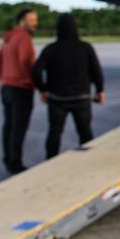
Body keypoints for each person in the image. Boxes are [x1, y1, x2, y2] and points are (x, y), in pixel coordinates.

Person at [31, 13, 105, 159]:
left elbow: (35, 71)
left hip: (57, 99)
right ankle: (89, 160)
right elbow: (96, 70)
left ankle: (50, 161)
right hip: (82, 97)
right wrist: (100, 90)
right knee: (85, 132)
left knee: (55, 132)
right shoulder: (85, 47)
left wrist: (43, 89)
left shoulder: (50, 49)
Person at [0, 8, 38, 174]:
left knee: (9, 125)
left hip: (6, 87)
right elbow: (26, 62)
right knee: (19, 127)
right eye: (32, 20)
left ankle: (8, 159)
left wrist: (4, 77)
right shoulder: (23, 37)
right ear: (22, 21)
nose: (35, 23)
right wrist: (32, 82)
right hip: (21, 88)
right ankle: (15, 163)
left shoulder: (9, 37)